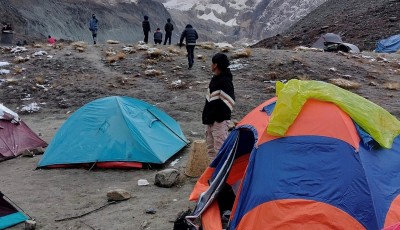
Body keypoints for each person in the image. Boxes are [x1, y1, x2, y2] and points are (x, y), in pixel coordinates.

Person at [202, 53, 235, 161]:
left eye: (212, 63)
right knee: (210, 149)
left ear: (216, 65)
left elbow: (229, 102)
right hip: (210, 120)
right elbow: (210, 99)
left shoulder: (225, 81)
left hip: (218, 122)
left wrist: (218, 118)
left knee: (220, 151)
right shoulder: (215, 79)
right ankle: (212, 175)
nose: (211, 65)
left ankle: (222, 176)